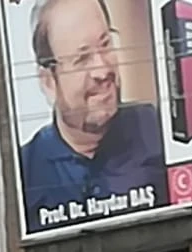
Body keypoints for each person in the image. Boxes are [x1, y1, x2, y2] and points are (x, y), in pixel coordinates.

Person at [18, 0, 167, 234]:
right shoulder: (25, 173)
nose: (103, 70)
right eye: (82, 59)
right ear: (48, 81)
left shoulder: (160, 133)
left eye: (106, 44)